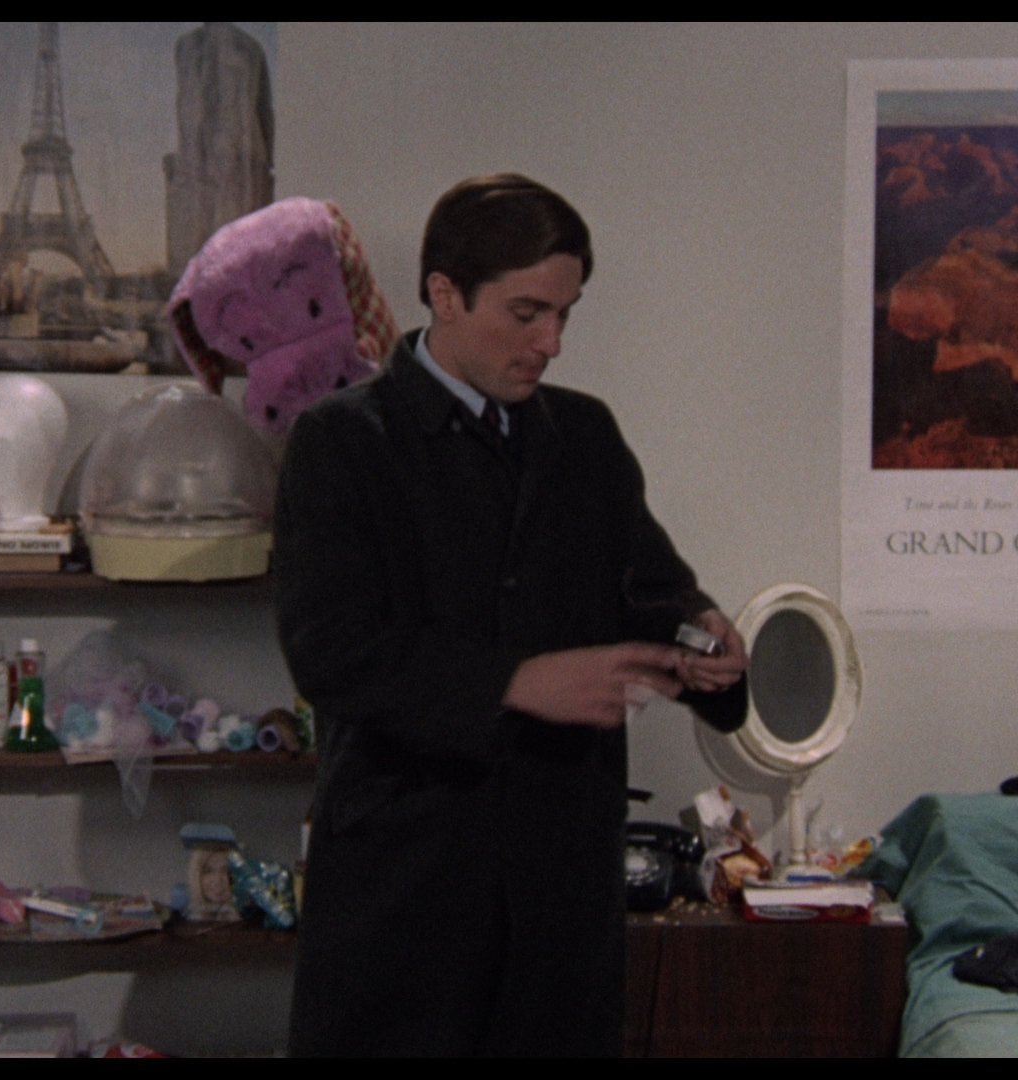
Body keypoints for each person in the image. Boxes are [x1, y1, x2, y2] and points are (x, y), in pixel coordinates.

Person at [275, 174, 749, 1057]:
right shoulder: (342, 443)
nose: (551, 343)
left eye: (565, 315)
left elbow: (650, 589)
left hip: (561, 888)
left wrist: (702, 637)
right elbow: (330, 651)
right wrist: (515, 682)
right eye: (527, 314)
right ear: (445, 293)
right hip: (406, 886)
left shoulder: (586, 436)